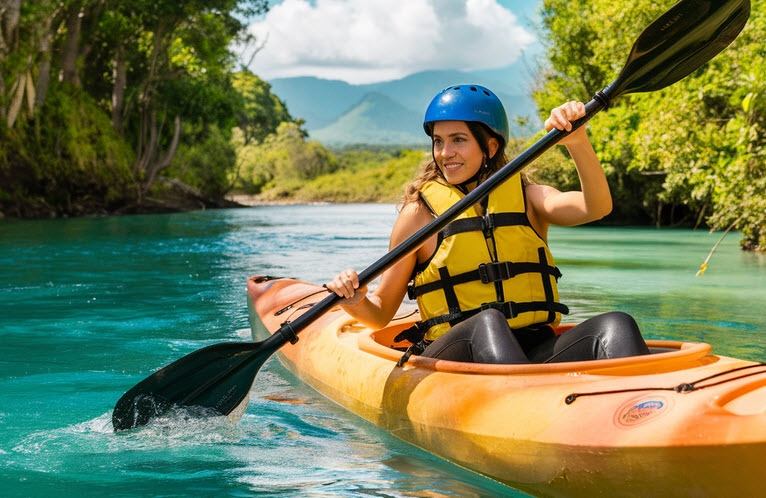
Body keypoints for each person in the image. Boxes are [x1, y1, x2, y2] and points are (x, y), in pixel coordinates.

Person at [327, 84, 649, 364]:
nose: (445, 152)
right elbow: (382, 311)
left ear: (490, 146)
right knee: (489, 323)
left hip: (531, 350)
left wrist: (577, 141)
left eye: (458, 140)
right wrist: (355, 301)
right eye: (438, 141)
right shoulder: (419, 216)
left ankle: (642, 412)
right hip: (457, 355)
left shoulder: (528, 199)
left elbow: (596, 207)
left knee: (616, 325)